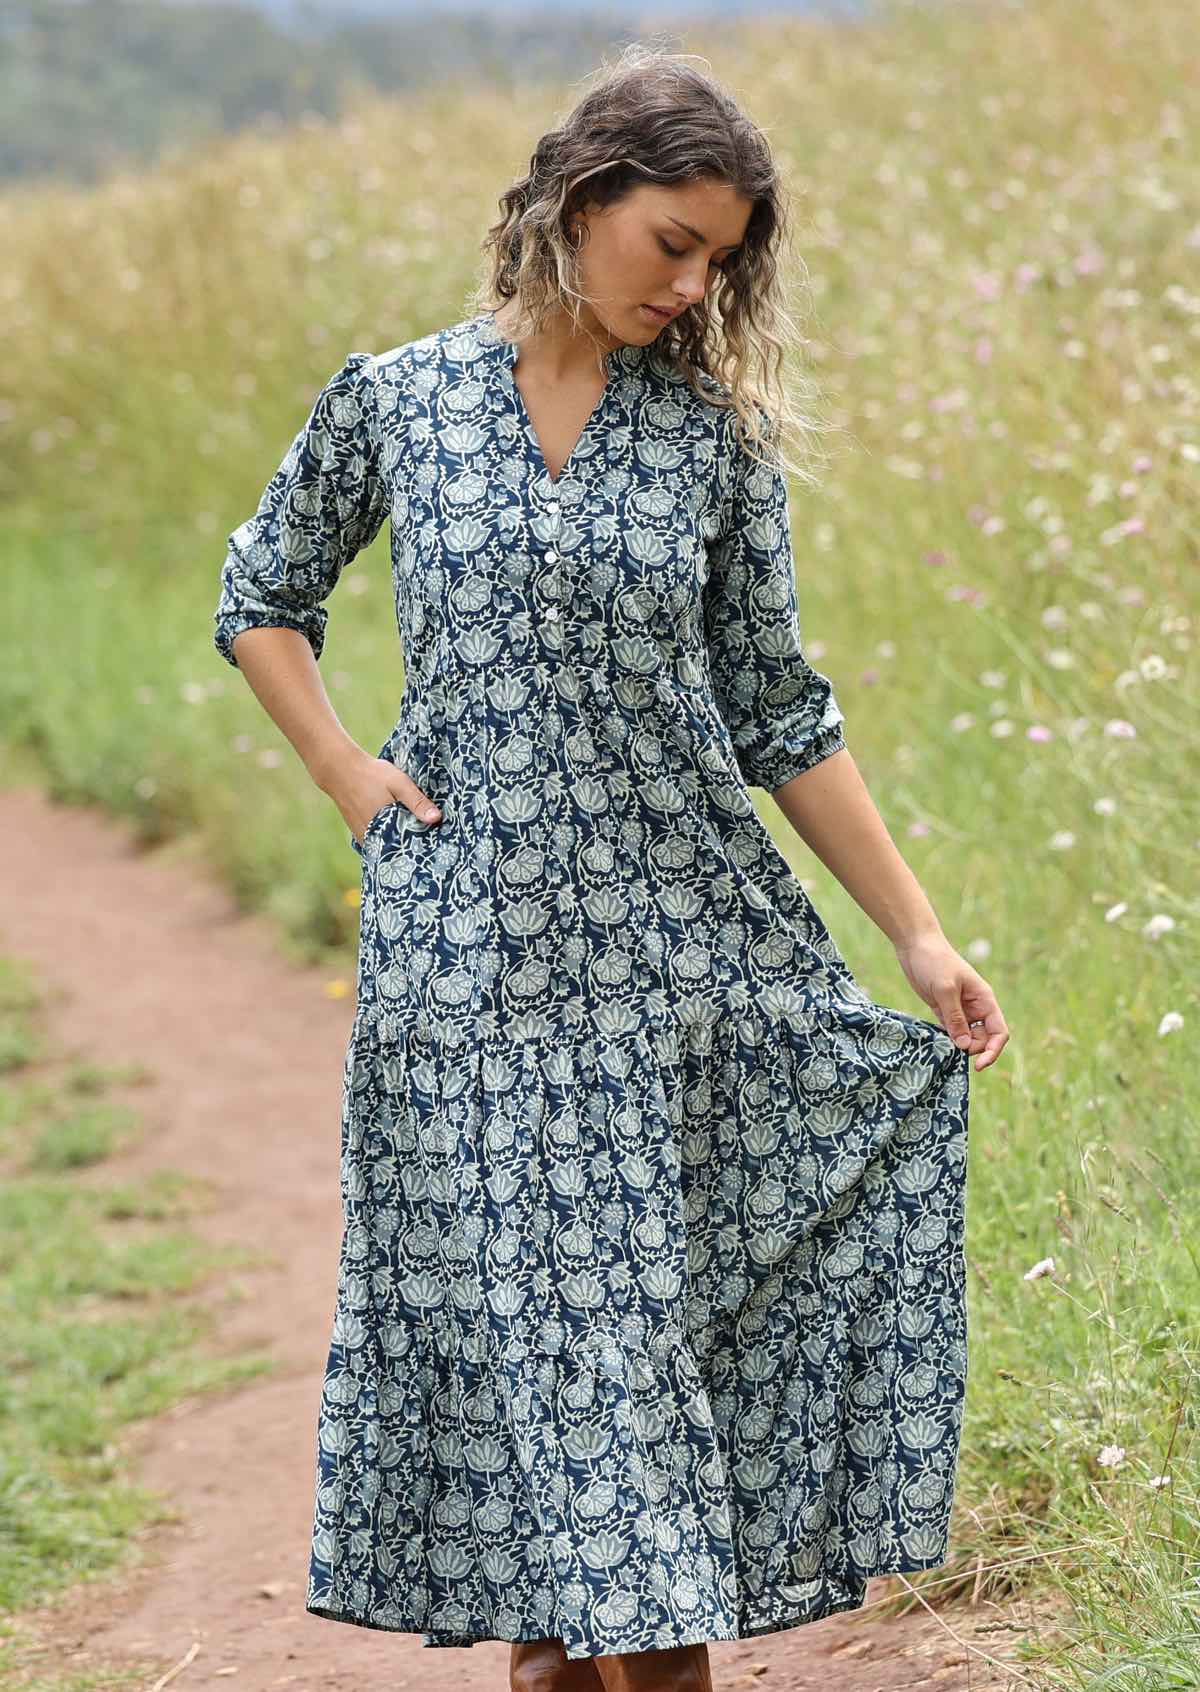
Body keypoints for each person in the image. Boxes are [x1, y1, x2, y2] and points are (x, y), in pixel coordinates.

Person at [212, 43, 1008, 1692]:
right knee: (563, 1402)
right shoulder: (400, 398)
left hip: (680, 972)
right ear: (583, 202)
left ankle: (572, 1659)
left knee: (624, 1401)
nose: (696, 280)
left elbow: (782, 713)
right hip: (473, 979)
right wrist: (351, 775)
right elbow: (262, 595)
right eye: (675, 241)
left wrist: (919, 936)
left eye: (722, 255)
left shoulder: (710, 440)